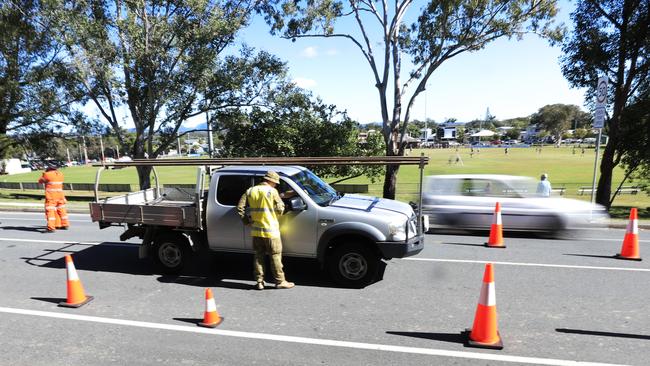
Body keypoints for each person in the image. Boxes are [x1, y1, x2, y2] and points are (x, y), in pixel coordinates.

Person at [237, 171, 294, 290]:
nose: (275, 185)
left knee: (258, 256)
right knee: (275, 256)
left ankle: (259, 282)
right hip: (271, 231)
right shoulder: (272, 191)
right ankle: (280, 281)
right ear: (271, 181)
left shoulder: (250, 191)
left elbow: (240, 208)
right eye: (275, 183)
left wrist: (246, 221)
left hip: (256, 231)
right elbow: (280, 209)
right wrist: (278, 210)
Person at [38, 164, 69, 232]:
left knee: (50, 211)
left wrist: (44, 173)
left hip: (51, 196)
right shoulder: (60, 174)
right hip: (60, 195)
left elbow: (40, 181)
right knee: (62, 210)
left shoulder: (47, 174)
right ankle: (65, 224)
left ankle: (51, 228)